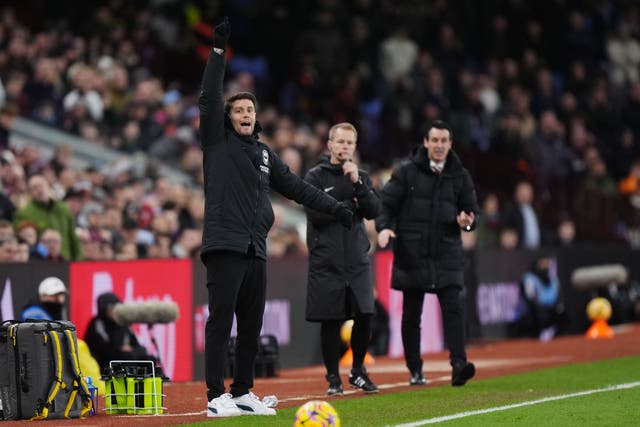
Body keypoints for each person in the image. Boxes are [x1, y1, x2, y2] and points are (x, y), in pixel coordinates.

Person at [198, 18, 353, 417]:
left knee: (250, 325)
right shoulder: (217, 141)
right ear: (229, 117)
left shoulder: (265, 154)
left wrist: (336, 207)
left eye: (251, 109)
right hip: (225, 243)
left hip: (256, 246)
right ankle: (216, 397)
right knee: (221, 322)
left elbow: (298, 188)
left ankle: (243, 392)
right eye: (239, 110)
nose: (246, 114)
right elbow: (208, 97)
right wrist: (218, 51)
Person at [376, 120, 479, 387]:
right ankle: (415, 368)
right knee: (412, 313)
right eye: (435, 140)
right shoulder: (406, 172)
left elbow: (471, 213)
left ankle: (459, 364)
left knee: (454, 307)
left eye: (444, 141)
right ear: (425, 142)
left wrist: (466, 221)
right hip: (413, 251)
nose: (439, 145)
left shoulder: (460, 175)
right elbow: (386, 204)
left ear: (450, 144)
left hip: (446, 251)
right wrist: (384, 228)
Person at [303, 122, 381, 396]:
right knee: (330, 319)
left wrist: (357, 184)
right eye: (341, 142)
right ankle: (333, 378)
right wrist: (348, 207)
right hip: (327, 260)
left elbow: (373, 211)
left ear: (354, 147)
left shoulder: (360, 177)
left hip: (357, 259)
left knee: (365, 313)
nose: (345, 146)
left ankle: (358, 370)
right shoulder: (315, 177)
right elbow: (315, 214)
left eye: (350, 142)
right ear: (330, 145)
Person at [13, 174, 82, 260]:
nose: (39, 190)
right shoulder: (24, 214)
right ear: (29, 193)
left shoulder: (63, 208)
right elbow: (23, 240)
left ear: (48, 186)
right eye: (34, 188)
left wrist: (79, 259)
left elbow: (73, 236)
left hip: (65, 259)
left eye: (41, 185)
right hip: (39, 261)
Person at [84, 293, 155, 372]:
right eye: (112, 308)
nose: (115, 311)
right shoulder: (96, 325)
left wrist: (130, 351)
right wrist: (121, 351)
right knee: (126, 359)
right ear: (104, 310)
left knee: (150, 360)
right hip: (105, 365)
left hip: (126, 358)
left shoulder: (123, 323)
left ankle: (158, 383)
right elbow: (102, 352)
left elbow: (139, 347)